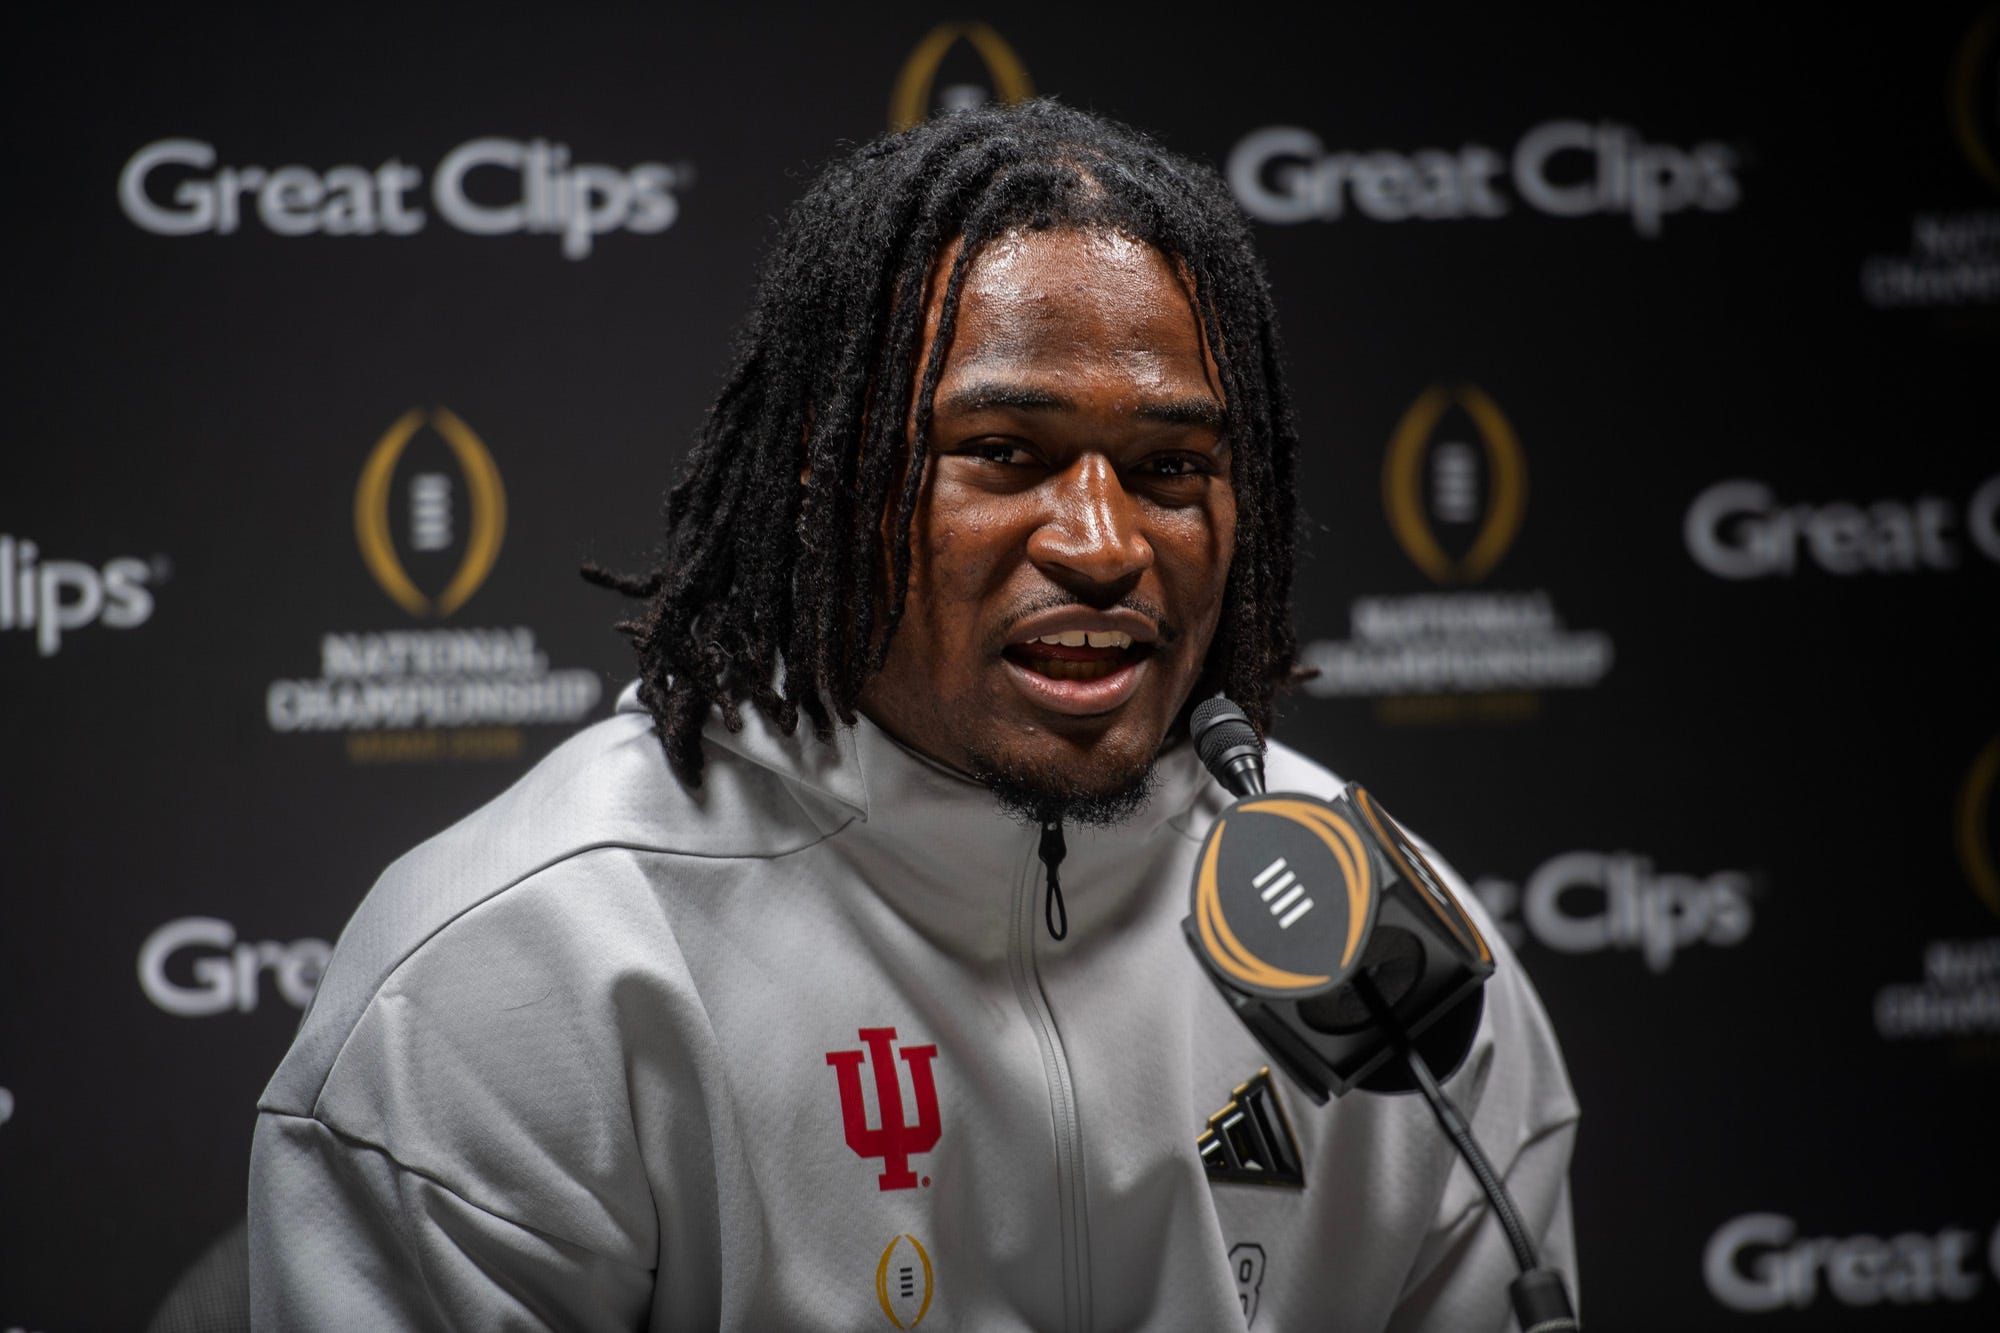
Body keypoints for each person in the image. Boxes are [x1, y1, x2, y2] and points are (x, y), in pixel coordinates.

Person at [248, 100, 1578, 1331]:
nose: (1105, 543)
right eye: (1004, 453)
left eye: (1172, 466)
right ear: (825, 477)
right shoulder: (529, 963)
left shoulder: (1390, 958)